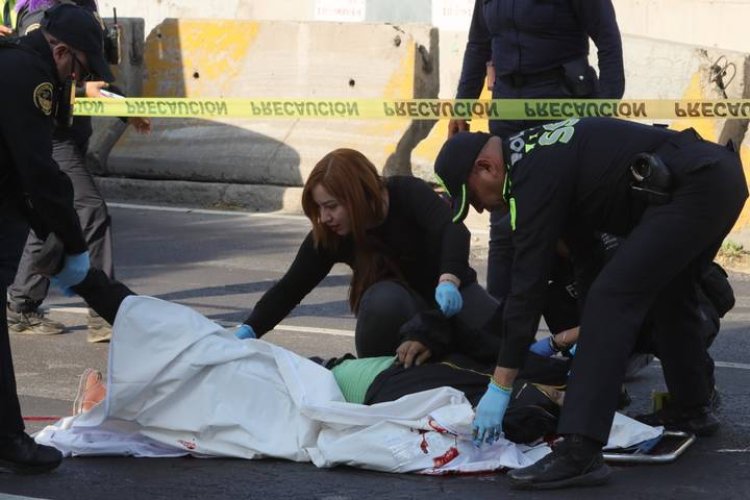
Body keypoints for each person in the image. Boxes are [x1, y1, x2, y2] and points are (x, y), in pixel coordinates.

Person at [434, 117, 747, 489]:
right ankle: (692, 406)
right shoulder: (534, 155)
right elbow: (587, 255)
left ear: (487, 167)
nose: (483, 211)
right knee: (667, 291)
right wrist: (594, 346)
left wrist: (501, 386)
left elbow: (527, 287)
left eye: (475, 199)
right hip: (712, 176)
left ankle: (579, 451)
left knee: (613, 298)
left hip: (696, 183)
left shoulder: (530, 175)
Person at [233, 148, 501, 363]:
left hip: (451, 300)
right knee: (383, 300)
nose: (325, 217)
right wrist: (248, 330)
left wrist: (449, 280)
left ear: (357, 197)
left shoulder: (407, 193)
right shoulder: (331, 234)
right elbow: (289, 289)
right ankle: (386, 374)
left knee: (505, 345)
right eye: (319, 208)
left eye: (331, 206)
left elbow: (453, 230)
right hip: (401, 315)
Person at [0, 2, 114, 473]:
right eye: (78, 68)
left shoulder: (12, 61)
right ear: (60, 50)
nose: (75, 79)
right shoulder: (30, 76)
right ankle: (8, 439)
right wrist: (71, 244)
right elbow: (39, 173)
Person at [449, 0, 625, 302]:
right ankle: (499, 323)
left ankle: (593, 319)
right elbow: (478, 44)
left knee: (571, 218)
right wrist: (462, 106)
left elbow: (608, 40)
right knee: (504, 219)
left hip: (561, 104)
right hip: (507, 106)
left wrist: (604, 111)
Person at [6, 0, 151, 343]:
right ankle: (103, 314)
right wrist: (76, 251)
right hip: (57, 139)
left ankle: (23, 305)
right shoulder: (45, 20)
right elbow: (39, 174)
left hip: (68, 134)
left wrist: (124, 109)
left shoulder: (78, 10)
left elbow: (89, 77)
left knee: (43, 221)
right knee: (89, 210)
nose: (76, 76)